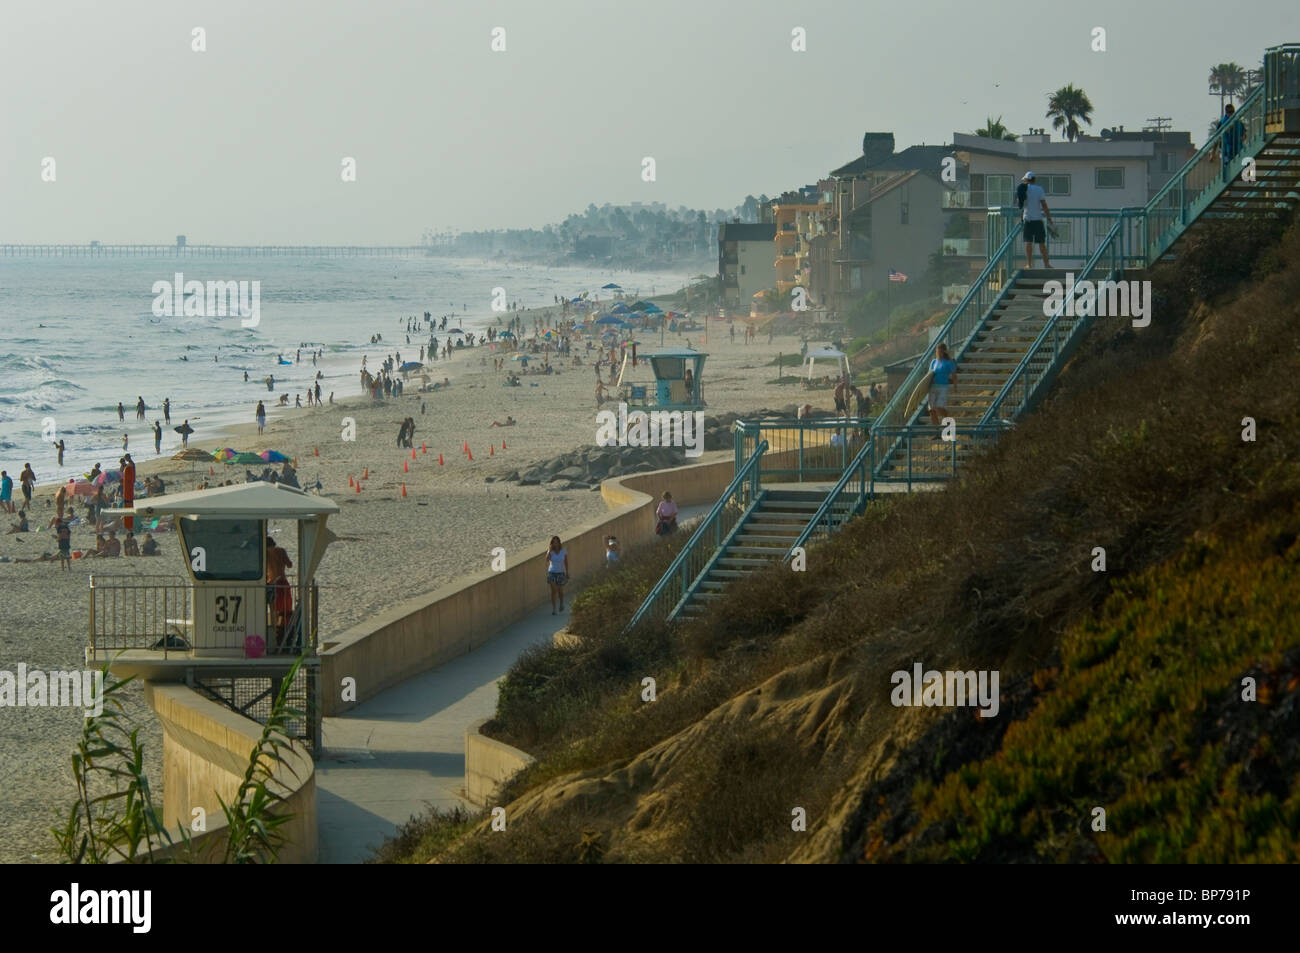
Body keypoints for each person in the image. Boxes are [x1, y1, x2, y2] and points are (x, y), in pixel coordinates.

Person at [266, 535, 295, 652]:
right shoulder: (281, 551)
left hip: (272, 583)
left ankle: (275, 637)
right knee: (286, 611)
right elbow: (289, 564)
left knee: (274, 611)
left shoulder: (265, 554)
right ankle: (284, 636)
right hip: (283, 582)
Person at [1020, 171, 1054, 268]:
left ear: (1026, 180)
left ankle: (1029, 264)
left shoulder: (1023, 189)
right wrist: (1049, 218)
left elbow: (1020, 203)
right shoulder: (1039, 189)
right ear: (1034, 180)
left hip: (1028, 219)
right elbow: (1043, 204)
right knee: (1042, 243)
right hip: (1038, 219)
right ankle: (1046, 264)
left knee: (1028, 242)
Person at [928, 342, 959, 426]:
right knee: (931, 410)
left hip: (943, 387)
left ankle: (947, 419)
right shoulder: (934, 362)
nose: (939, 353)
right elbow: (929, 375)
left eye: (941, 351)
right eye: (937, 351)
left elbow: (954, 376)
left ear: (944, 352)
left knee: (939, 407)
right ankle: (937, 432)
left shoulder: (949, 362)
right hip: (933, 387)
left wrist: (955, 387)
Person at [1218, 103, 1243, 180]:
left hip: (1237, 148)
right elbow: (1216, 138)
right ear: (1226, 112)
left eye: (1232, 112)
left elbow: (1244, 133)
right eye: (1229, 112)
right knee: (1226, 166)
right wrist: (1212, 153)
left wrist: (1242, 138)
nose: (1231, 114)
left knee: (1237, 165)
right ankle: (1226, 181)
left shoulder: (1238, 122)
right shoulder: (1222, 122)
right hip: (1226, 149)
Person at [545, 536, 569, 614]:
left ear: (559, 542)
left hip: (560, 572)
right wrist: (549, 551)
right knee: (553, 590)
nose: (555, 544)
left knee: (560, 591)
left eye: (556, 542)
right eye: (554, 542)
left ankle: (561, 603)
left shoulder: (563, 551)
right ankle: (554, 609)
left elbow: (566, 562)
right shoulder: (550, 551)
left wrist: (567, 572)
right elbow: (546, 560)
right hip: (552, 572)